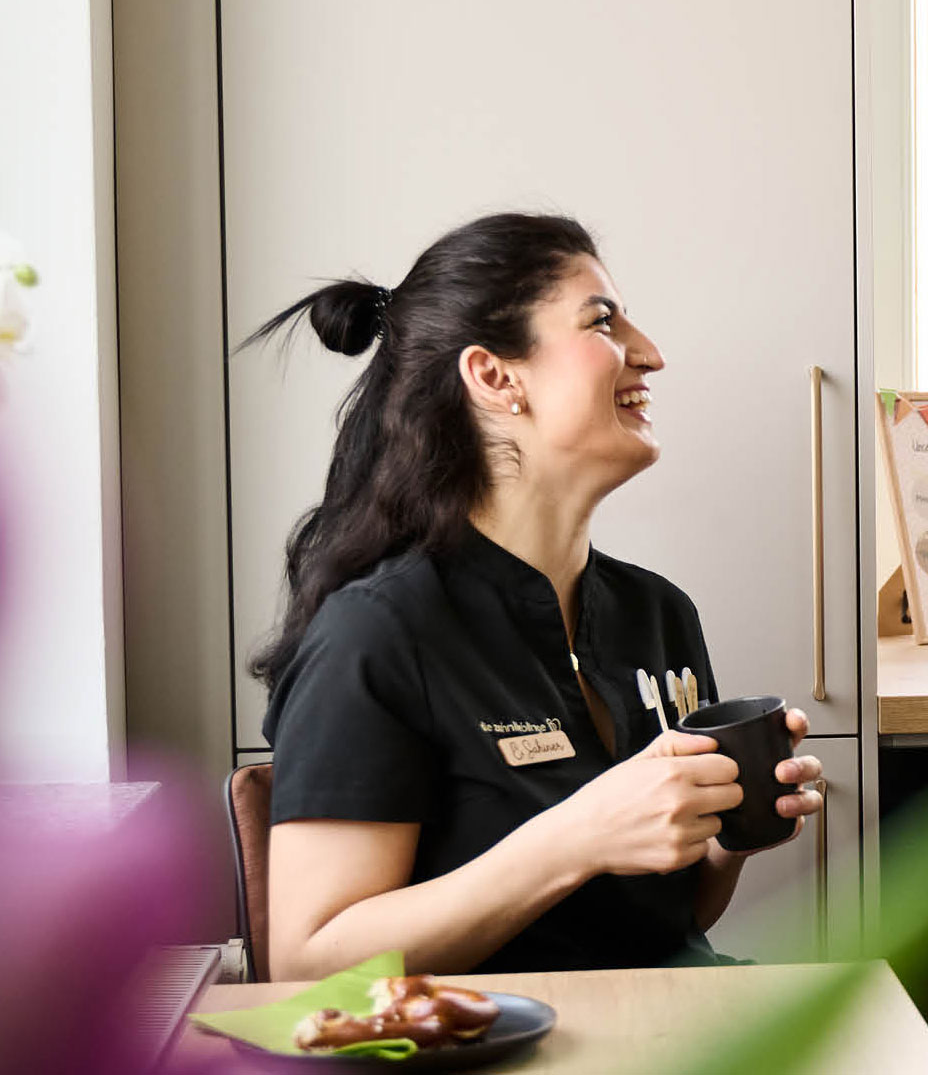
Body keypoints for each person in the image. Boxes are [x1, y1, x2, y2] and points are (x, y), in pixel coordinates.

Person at [250, 213, 825, 981]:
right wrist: (578, 835)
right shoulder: (375, 635)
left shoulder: (659, 615)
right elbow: (308, 961)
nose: (650, 353)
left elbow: (672, 922)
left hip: (680, 1020)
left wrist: (729, 832)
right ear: (494, 377)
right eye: (603, 321)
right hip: (510, 1039)